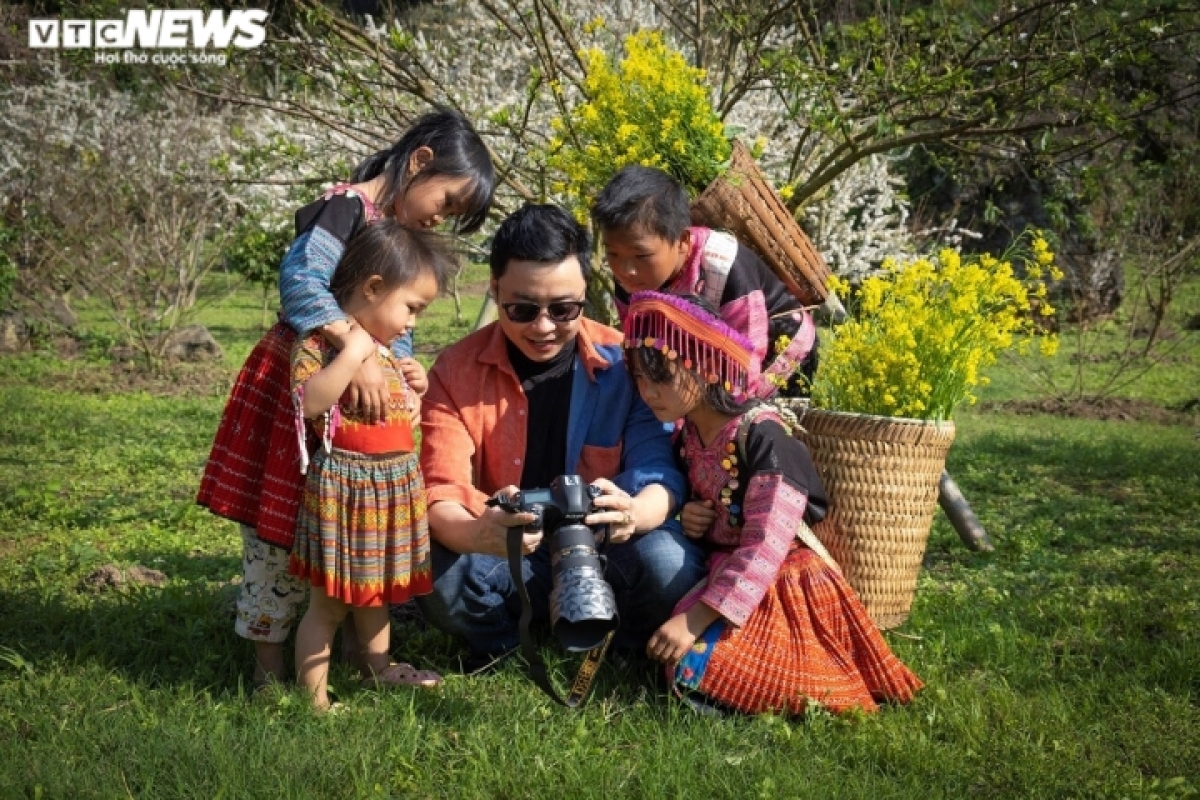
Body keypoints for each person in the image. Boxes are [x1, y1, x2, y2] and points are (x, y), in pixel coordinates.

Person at [197, 109, 496, 689]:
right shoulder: (348, 207)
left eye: (455, 214)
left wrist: (400, 369)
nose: (443, 216)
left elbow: (395, 321)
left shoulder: (394, 232)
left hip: (353, 403)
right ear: (420, 162)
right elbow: (301, 278)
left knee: (340, 534)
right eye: (449, 201)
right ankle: (266, 672)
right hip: (303, 380)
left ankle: (363, 660)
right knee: (279, 524)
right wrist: (351, 344)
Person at [416, 203, 707, 667]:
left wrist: (633, 512)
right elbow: (440, 489)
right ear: (494, 291)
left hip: (610, 549)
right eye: (523, 309)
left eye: (564, 308)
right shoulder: (456, 371)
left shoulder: (626, 362)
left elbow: (659, 472)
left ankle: (619, 646)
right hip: (511, 552)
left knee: (670, 565)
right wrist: (480, 533)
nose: (544, 326)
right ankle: (505, 646)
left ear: (586, 294)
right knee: (434, 565)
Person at [623, 291, 923, 715]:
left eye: (662, 377)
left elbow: (767, 543)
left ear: (706, 364)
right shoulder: (688, 436)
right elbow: (706, 500)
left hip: (783, 579)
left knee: (700, 665)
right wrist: (690, 515)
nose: (648, 392)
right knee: (684, 665)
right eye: (639, 377)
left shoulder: (763, 435)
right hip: (724, 572)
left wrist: (693, 620)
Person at [289, 220, 452, 710]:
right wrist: (353, 353)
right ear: (374, 288)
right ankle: (314, 699)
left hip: (391, 488)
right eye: (411, 308)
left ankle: (378, 669)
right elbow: (309, 404)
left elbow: (397, 417)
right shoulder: (323, 344)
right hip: (347, 489)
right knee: (330, 602)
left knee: (377, 589)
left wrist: (414, 389)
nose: (412, 324)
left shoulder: (387, 352)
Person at [592, 164, 818, 398]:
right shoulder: (632, 278)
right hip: (709, 357)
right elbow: (639, 344)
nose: (626, 269)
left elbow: (746, 358)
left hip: (779, 352)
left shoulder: (725, 266)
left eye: (642, 255)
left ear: (682, 242)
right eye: (613, 254)